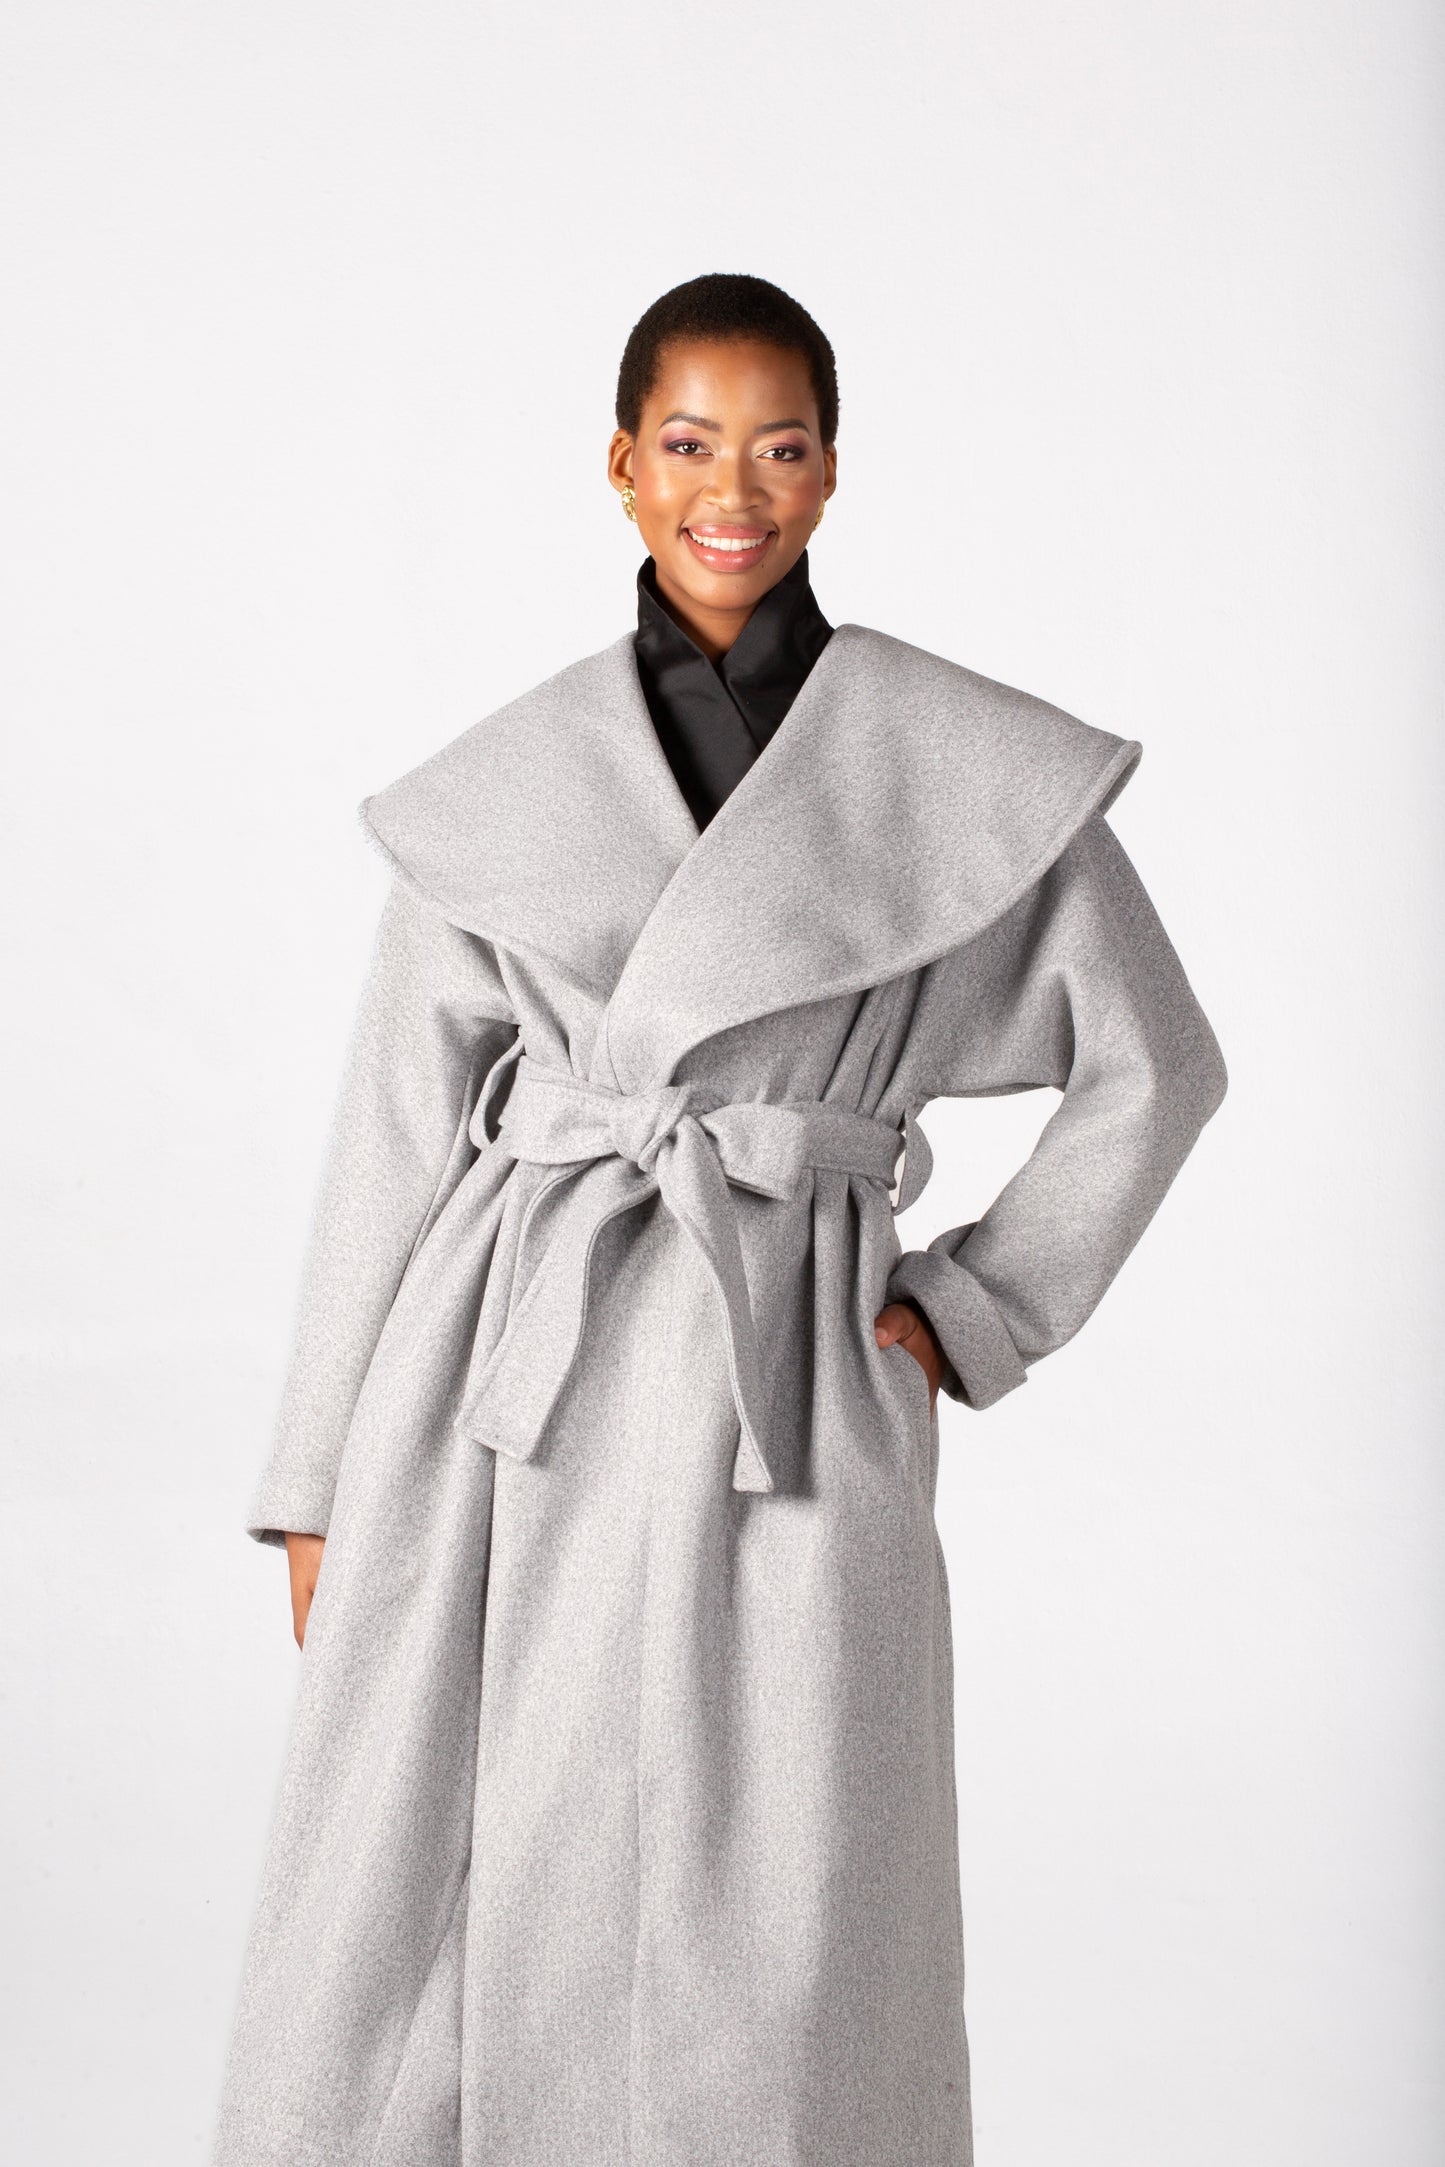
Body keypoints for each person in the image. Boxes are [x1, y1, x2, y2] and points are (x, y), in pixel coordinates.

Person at [213, 273, 1227, 2167]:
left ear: (830, 472)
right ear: (621, 466)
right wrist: (318, 1481)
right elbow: (392, 1136)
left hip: (790, 1371)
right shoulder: (499, 789)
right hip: (499, 1381)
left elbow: (1155, 1067)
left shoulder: (957, 774)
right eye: (687, 444)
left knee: (790, 1877)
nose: (731, 490)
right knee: (442, 1861)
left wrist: (973, 1310)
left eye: (778, 446)